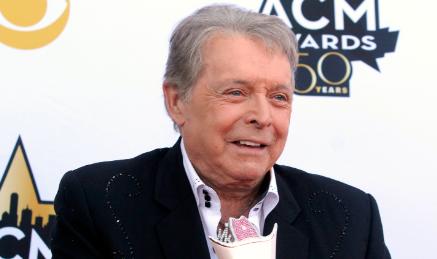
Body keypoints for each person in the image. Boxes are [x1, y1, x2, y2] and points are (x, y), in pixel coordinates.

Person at [51, 4, 390, 259]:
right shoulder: (102, 201)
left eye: (279, 97)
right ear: (176, 101)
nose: (262, 117)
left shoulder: (350, 216)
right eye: (236, 92)